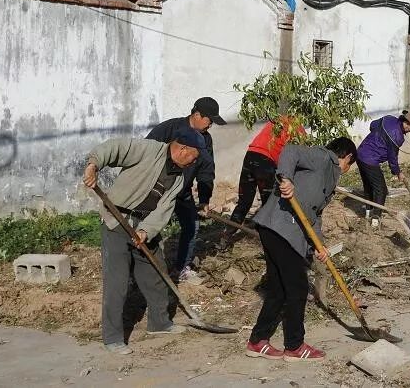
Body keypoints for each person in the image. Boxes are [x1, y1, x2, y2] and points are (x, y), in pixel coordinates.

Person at [81, 129, 206, 355]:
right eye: (194, 156)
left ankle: (159, 323)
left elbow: (164, 209)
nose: (194, 161)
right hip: (115, 219)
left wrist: (146, 231)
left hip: (142, 225)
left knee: (156, 270)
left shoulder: (178, 177)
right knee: (117, 282)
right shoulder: (148, 150)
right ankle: (112, 338)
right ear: (182, 148)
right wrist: (93, 164)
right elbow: (115, 148)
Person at [245, 137, 358, 362]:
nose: (346, 169)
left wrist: (319, 244)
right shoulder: (323, 158)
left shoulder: (327, 180)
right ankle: (295, 346)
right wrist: (285, 179)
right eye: (349, 165)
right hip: (280, 227)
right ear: (347, 158)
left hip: (279, 230)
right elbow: (290, 151)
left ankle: (258, 341)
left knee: (278, 290)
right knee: (297, 288)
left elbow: (313, 215)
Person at [147, 97, 225, 282]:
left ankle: (180, 268)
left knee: (191, 226)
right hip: (157, 190)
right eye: (210, 120)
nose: (211, 125)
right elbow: (145, 151)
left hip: (182, 191)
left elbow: (207, 170)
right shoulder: (170, 129)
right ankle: (146, 269)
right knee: (149, 228)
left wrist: (205, 199)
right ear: (197, 115)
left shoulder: (205, 139)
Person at [230, 116, 307, 223]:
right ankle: (267, 233)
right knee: (269, 203)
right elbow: (296, 158)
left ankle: (228, 233)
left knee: (244, 201)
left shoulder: (276, 119)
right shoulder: (297, 129)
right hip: (266, 161)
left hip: (250, 155)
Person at [355, 110, 410, 228]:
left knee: (369, 186)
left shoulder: (388, 119)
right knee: (382, 190)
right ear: (406, 123)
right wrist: (398, 172)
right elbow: (392, 158)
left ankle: (368, 214)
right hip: (370, 160)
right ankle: (375, 221)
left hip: (360, 154)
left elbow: (372, 125)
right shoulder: (397, 137)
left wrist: (378, 139)